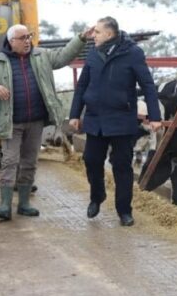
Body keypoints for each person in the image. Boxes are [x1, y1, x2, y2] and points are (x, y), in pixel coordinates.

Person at [0, 24, 91, 220]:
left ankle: (24, 203)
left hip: (35, 121)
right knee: (10, 161)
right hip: (11, 121)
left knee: (29, 162)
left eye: (29, 36)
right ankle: (5, 205)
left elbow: (64, 56)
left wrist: (81, 38)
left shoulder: (41, 56)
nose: (27, 41)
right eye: (23, 38)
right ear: (12, 41)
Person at [69, 17, 161, 227]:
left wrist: (155, 117)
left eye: (98, 32)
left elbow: (147, 85)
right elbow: (82, 86)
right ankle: (97, 195)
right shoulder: (93, 54)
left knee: (121, 166)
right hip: (95, 119)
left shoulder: (132, 53)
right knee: (91, 160)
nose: (94, 36)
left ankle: (124, 211)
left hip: (121, 119)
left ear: (109, 34)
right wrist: (75, 114)